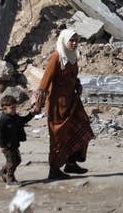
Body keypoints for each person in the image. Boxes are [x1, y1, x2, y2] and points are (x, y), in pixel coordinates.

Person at [35, 28, 94, 180]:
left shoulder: (72, 57)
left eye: (76, 40)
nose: (74, 43)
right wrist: (39, 102)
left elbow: (73, 77)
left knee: (82, 128)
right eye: (71, 40)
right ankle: (53, 169)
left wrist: (77, 85)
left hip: (72, 103)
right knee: (58, 137)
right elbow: (45, 81)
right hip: (57, 106)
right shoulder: (56, 58)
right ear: (64, 41)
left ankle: (71, 163)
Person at [0, 95, 34, 185]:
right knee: (12, 162)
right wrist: (2, 146)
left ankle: (2, 172)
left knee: (17, 160)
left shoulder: (15, 117)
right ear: (4, 109)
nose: (14, 109)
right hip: (7, 146)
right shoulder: (2, 120)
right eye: (12, 108)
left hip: (14, 144)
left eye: (15, 107)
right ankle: (10, 179)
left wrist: (32, 114)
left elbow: (23, 120)